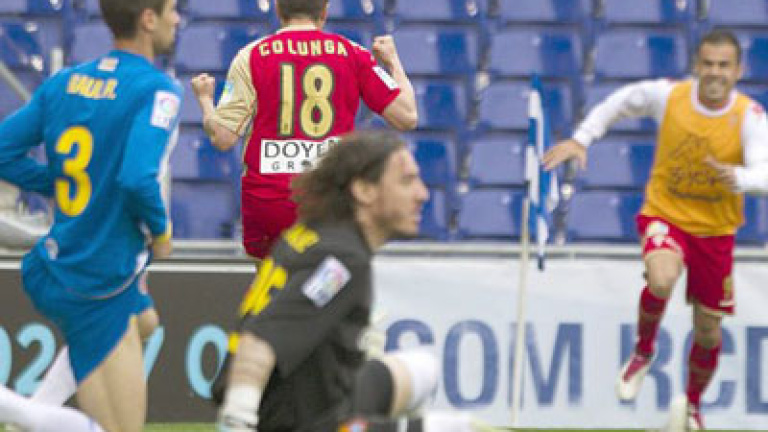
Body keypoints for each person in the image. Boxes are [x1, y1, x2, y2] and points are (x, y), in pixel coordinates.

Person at [543, 29, 768, 431]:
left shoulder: (749, 116)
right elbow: (618, 103)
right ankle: (643, 352)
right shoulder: (670, 96)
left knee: (708, 331)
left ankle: (693, 406)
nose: (715, 73)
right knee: (661, 277)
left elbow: (764, 170)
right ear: (696, 65)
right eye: (708, 64)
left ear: (738, 71)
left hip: (716, 232)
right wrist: (582, 139)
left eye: (724, 66)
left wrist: (739, 178)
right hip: (667, 214)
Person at [215, 131, 494, 432]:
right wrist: (238, 418)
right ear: (364, 190)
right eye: (406, 181)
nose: (422, 194)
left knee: (422, 369)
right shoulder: (340, 262)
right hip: (301, 422)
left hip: (316, 396)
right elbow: (259, 340)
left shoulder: (315, 233)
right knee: (459, 428)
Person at [0, 0, 182, 430]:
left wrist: (55, 183)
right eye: (172, 9)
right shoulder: (157, 90)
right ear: (148, 19)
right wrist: (162, 232)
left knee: (146, 322)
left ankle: (32, 408)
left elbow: (3, 150)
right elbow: (137, 178)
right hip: (100, 276)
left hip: (62, 258)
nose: (178, 18)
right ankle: (17, 412)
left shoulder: (64, 81)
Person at [190, 0, 417, 260]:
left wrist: (205, 100)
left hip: (268, 202)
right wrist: (392, 61)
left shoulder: (251, 56)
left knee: (272, 282)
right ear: (324, 11)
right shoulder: (353, 54)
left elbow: (222, 137)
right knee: (330, 280)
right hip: (330, 202)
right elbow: (407, 116)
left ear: (278, 9)